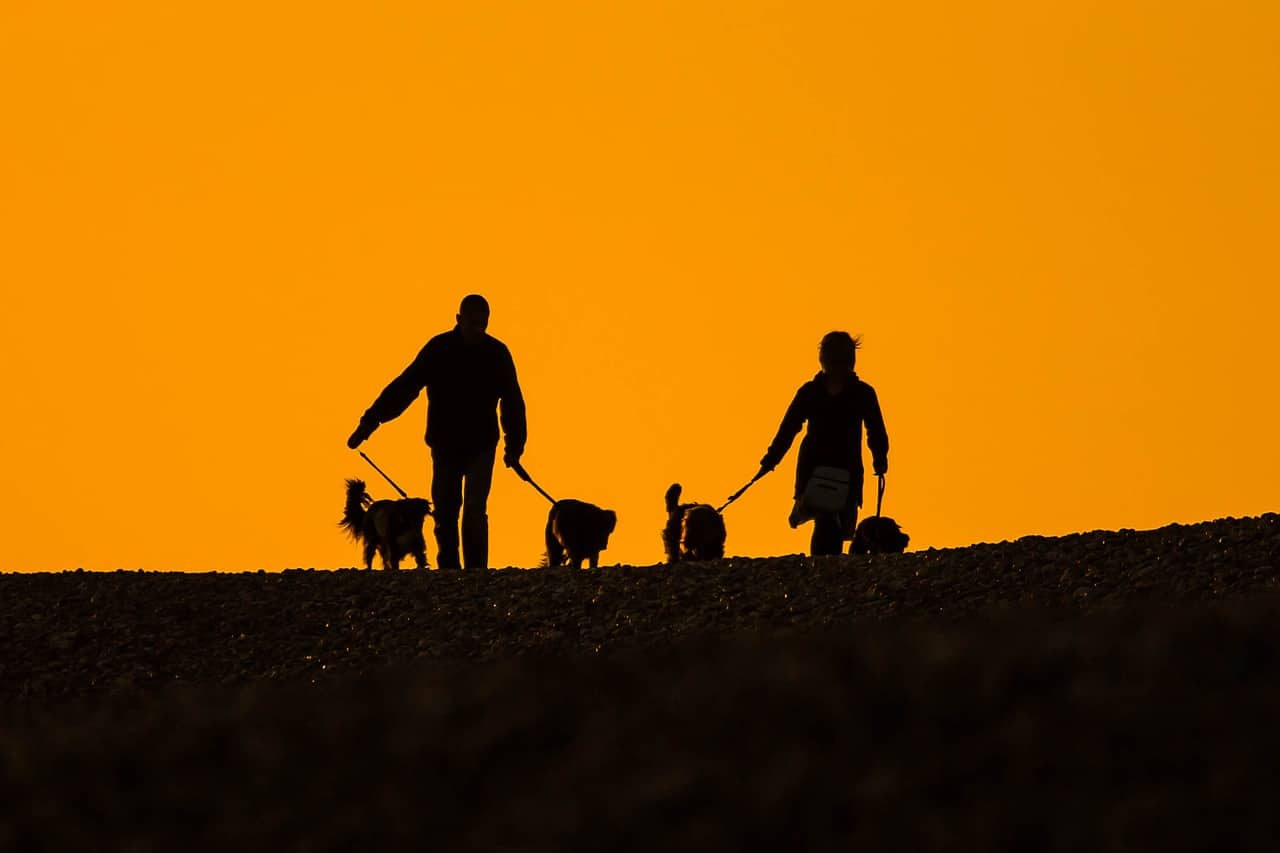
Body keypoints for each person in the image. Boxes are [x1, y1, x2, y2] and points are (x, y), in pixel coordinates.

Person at [346, 294, 526, 569]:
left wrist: (514, 447)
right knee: (445, 511)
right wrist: (370, 422)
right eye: (473, 324)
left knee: (475, 511)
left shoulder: (496, 354)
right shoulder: (439, 350)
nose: (478, 330)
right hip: (446, 446)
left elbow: (513, 402)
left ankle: (476, 574)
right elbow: (405, 387)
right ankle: (449, 574)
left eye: (483, 325)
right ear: (459, 320)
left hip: (482, 445)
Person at [757, 331, 889, 556]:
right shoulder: (814, 392)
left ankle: (824, 566)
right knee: (825, 516)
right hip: (816, 469)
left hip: (843, 468)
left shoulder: (859, 393)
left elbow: (875, 430)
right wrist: (771, 459)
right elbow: (788, 429)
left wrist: (880, 457)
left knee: (833, 518)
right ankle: (823, 566)